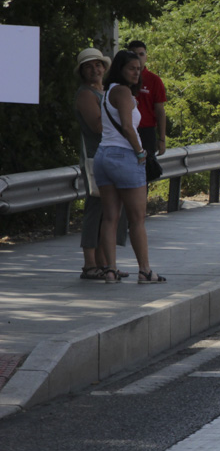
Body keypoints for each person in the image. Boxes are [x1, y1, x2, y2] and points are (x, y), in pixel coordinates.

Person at [93, 49, 166, 284]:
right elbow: (127, 126)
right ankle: (145, 271)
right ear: (120, 70)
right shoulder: (123, 92)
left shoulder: (107, 92)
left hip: (103, 156)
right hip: (124, 156)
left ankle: (110, 270)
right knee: (137, 219)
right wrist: (140, 152)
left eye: (138, 68)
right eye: (131, 68)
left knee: (110, 217)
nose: (137, 72)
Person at [74, 48, 129, 281]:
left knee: (112, 210)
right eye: (88, 66)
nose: (95, 69)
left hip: (112, 155)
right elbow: (97, 126)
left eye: (98, 64)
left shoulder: (105, 91)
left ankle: (106, 263)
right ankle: (90, 264)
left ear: (104, 68)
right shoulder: (86, 94)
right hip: (95, 157)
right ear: (82, 71)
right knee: (96, 209)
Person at [125, 41, 167, 176]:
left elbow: (160, 110)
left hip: (146, 131)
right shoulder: (121, 80)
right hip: (125, 130)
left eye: (141, 54)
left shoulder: (154, 80)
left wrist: (161, 139)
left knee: (145, 172)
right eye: (134, 54)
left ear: (146, 56)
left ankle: (142, 197)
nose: (138, 58)